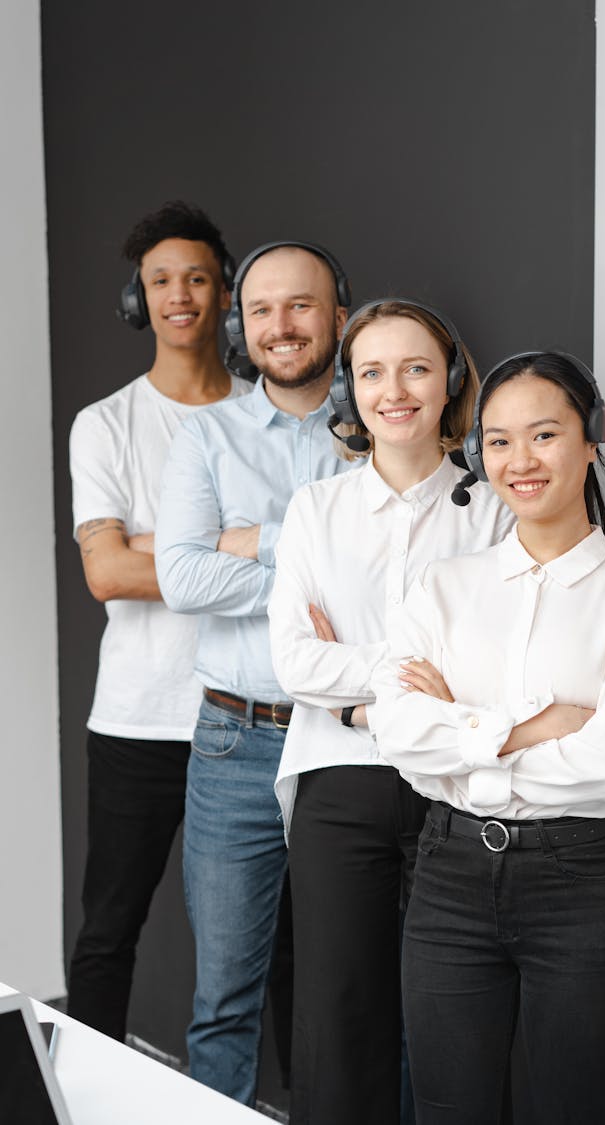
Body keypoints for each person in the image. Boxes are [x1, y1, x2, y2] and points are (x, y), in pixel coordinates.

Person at [372, 351, 605, 1125]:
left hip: (581, 881)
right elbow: (400, 731)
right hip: (446, 880)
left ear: (590, 439)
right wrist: (537, 727)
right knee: (449, 1112)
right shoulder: (444, 587)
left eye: (544, 434)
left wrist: (465, 734)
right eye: (500, 441)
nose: (521, 461)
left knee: (567, 1112)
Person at [268, 299, 514, 1125]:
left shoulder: (496, 510)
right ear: (349, 388)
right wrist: (416, 679)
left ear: (451, 381)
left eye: (415, 367)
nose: (394, 389)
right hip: (340, 790)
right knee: (339, 1023)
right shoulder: (315, 510)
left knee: (452, 1021)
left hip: (456, 791)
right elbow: (296, 662)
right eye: (371, 370)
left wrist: (362, 697)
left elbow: (500, 672)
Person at [154, 240, 351, 1108]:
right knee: (223, 998)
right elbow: (183, 578)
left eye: (302, 305)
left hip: (352, 745)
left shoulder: (378, 430)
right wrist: (303, 558)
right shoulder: (207, 434)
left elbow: (396, 588)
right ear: (241, 322)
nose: (282, 325)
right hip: (236, 741)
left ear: (338, 316)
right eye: (264, 308)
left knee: (353, 991)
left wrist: (250, 537)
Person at [67, 201, 248, 1041]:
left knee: (257, 946)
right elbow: (106, 572)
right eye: (161, 281)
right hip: (138, 717)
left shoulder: (266, 419)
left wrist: (161, 548)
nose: (181, 296)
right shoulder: (104, 425)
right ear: (139, 299)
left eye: (199, 278)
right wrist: (233, 546)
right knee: (107, 934)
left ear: (224, 295)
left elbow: (305, 562)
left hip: (249, 719)